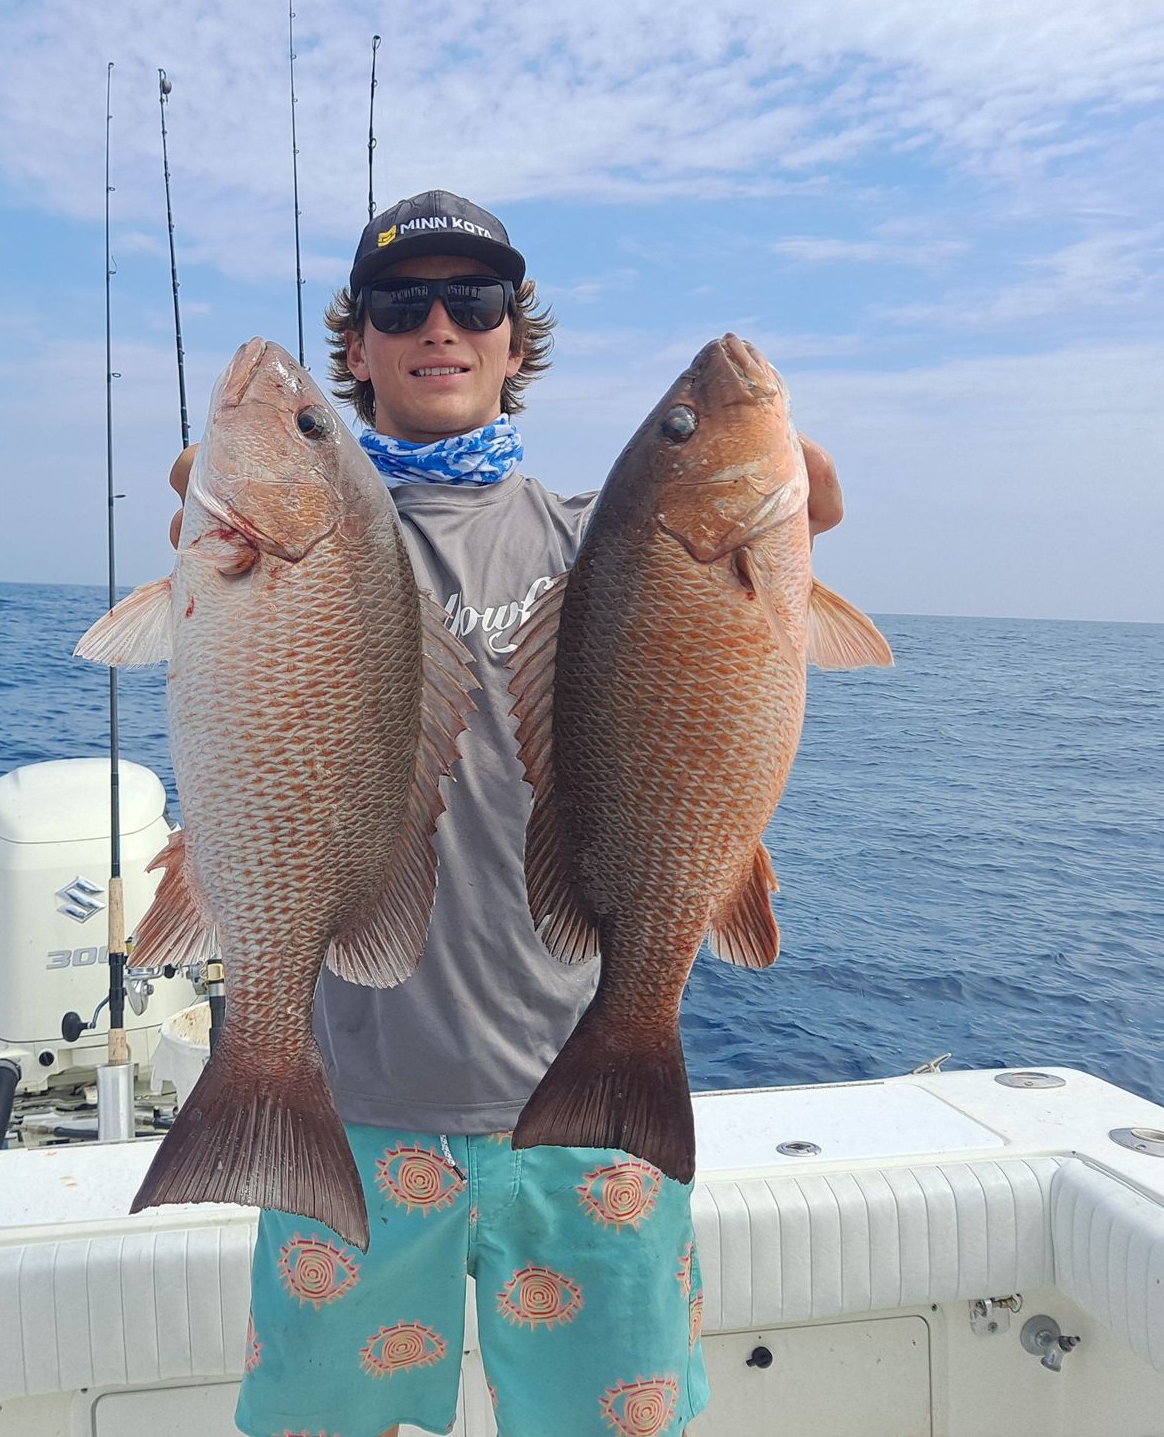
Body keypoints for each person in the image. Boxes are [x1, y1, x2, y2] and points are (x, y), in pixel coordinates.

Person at [164, 191, 844, 1437]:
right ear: (356, 347)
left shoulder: (599, 547)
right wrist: (239, 492)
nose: (439, 326)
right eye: (398, 304)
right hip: (351, 1105)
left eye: (472, 303)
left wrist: (777, 470)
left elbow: (792, 530)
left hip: (583, 1095)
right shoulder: (267, 532)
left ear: (514, 342)